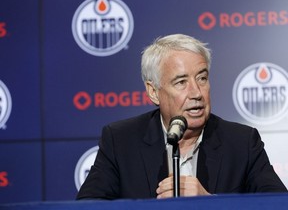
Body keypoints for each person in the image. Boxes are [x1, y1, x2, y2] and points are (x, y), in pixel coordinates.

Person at [76, 34, 287, 200]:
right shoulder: (121, 140)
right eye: (181, 82)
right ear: (153, 92)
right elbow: (89, 205)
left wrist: (212, 203)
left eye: (202, 78)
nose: (196, 92)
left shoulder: (241, 142)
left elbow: (277, 204)